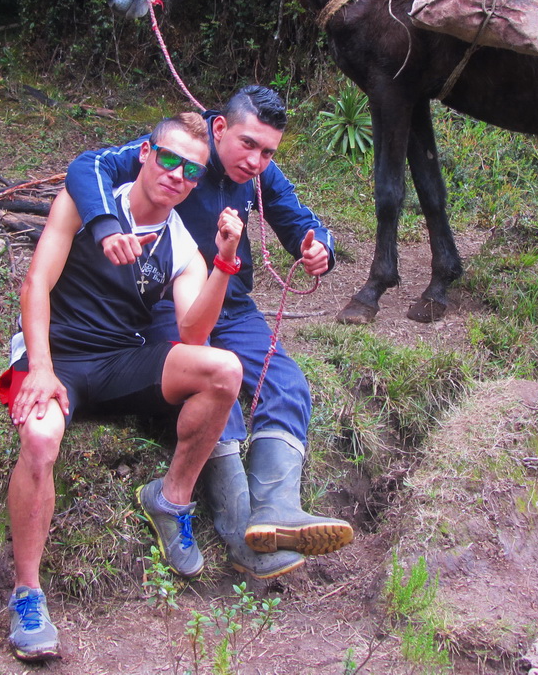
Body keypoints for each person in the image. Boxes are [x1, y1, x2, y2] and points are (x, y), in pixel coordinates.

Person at [65, 85, 353, 584]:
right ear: (220, 127)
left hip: (233, 305)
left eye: (268, 151)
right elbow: (87, 165)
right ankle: (241, 530)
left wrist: (319, 248)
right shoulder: (182, 154)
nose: (257, 160)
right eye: (248, 145)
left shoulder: (262, 176)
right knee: (219, 395)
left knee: (287, 384)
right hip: (165, 306)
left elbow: (301, 222)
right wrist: (106, 223)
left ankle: (279, 509)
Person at [0, 113, 245, 662]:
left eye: (192, 171)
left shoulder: (180, 243)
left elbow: (193, 334)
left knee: (225, 369)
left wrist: (224, 261)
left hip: (120, 360)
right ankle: (28, 594)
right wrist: (39, 366)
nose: (177, 175)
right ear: (145, 154)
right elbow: (36, 281)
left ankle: (171, 498)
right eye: (169, 159)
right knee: (39, 440)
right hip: (58, 356)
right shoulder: (91, 201)